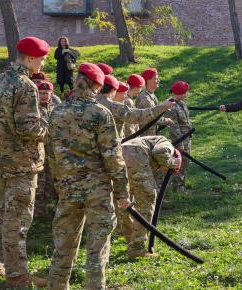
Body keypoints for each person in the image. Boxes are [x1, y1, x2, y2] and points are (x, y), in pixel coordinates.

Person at [47, 63, 131, 289]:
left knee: (63, 245)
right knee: (96, 249)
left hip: (67, 187)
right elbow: (113, 155)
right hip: (97, 190)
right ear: (97, 85)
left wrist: (59, 180)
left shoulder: (57, 111)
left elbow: (50, 152)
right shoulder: (100, 113)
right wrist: (122, 191)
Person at [0, 37, 50, 287]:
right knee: (18, 219)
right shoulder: (25, 85)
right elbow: (28, 127)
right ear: (30, 58)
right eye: (41, 58)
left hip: (1, 160)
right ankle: (17, 275)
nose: (43, 63)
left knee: (2, 213)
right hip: (21, 162)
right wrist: (49, 129)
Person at [121, 135, 182, 258]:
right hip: (136, 155)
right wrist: (173, 163)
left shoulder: (149, 141)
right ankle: (136, 248)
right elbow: (159, 152)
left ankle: (131, 239)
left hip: (119, 154)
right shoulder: (167, 144)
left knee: (124, 201)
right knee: (147, 200)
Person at [165, 81, 193, 190]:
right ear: (180, 93)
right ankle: (178, 187)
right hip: (180, 139)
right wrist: (179, 143)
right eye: (185, 92)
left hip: (187, 137)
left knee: (186, 162)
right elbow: (174, 127)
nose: (186, 94)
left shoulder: (181, 103)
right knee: (180, 162)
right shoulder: (171, 106)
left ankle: (182, 184)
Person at [34, 80, 57, 219]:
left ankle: (56, 209)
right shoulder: (33, 110)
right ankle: (39, 212)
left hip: (54, 152)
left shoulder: (56, 109)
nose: (43, 95)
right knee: (40, 183)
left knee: (55, 182)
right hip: (39, 152)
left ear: (51, 94)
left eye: (46, 93)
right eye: (40, 93)